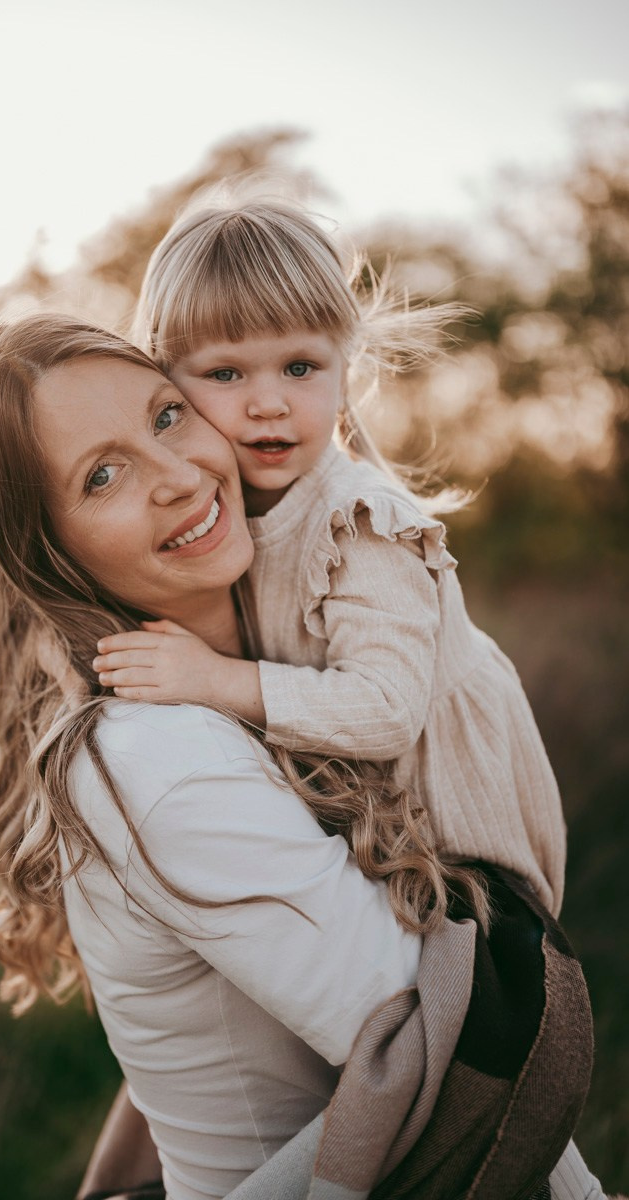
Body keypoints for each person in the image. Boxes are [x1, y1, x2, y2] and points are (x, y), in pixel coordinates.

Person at [0, 313, 601, 1200]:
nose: (179, 475)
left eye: (167, 416)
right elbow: (444, 1056)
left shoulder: (267, 666)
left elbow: (208, 1043)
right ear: (49, 554)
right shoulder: (158, 759)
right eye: (103, 475)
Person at [92, 196, 567, 919]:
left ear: (347, 367)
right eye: (224, 375)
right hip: (390, 839)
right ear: (168, 388)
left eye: (300, 366)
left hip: (470, 856)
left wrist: (217, 680)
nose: (268, 403)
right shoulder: (227, 512)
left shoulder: (360, 525)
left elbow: (385, 710)